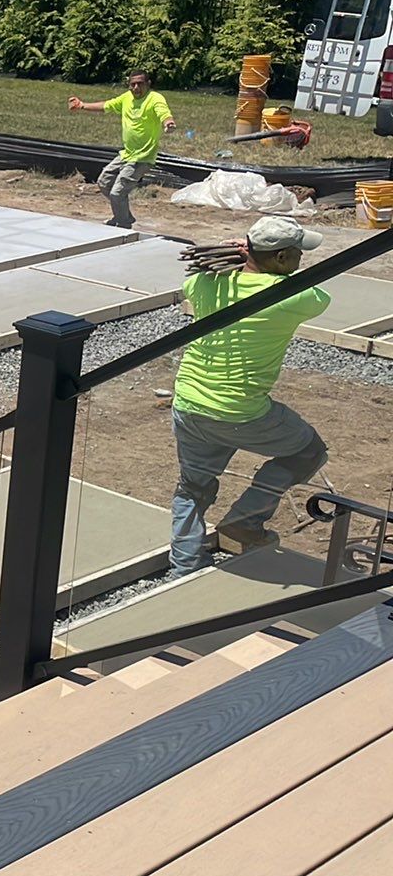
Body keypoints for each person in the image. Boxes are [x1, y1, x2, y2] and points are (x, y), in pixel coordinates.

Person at [169, 216, 331, 575]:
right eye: (297, 254)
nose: (301, 260)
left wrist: (238, 260)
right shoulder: (295, 296)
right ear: (281, 259)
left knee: (192, 488)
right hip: (241, 412)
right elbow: (323, 297)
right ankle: (244, 521)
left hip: (189, 404)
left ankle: (185, 566)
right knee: (308, 451)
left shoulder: (206, 283)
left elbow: (192, 281)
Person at [68, 71, 177, 228]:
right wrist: (82, 105)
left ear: (148, 84)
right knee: (104, 182)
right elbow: (107, 105)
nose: (136, 87)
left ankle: (123, 224)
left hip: (142, 158)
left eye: (140, 83)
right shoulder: (127, 98)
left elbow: (164, 113)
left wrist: (168, 123)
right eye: (133, 84)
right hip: (126, 154)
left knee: (117, 193)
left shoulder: (155, 99)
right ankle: (124, 216)